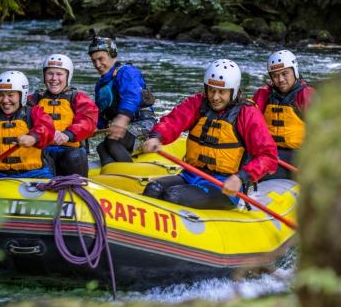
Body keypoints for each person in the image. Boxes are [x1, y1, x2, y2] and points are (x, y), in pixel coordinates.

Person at [139, 59, 278, 209]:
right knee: (153, 189)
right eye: (211, 90)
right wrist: (157, 136)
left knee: (173, 196)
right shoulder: (197, 103)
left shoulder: (247, 113)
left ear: (234, 91)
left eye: (221, 92)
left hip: (223, 185)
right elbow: (174, 121)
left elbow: (268, 156)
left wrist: (241, 177)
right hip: (190, 176)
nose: (215, 97)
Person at [88, 33, 156, 165]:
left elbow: (132, 95)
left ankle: (131, 175)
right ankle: (111, 176)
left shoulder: (127, 72)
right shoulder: (100, 85)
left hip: (144, 125)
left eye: (101, 59)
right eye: (94, 61)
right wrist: (94, 127)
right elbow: (102, 112)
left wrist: (122, 119)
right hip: (124, 129)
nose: (97, 64)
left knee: (112, 142)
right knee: (101, 147)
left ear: (112, 54)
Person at [28, 53, 99, 177]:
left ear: (68, 76)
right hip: (42, 152)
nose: (54, 78)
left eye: (59, 74)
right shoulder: (33, 99)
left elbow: (88, 121)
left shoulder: (78, 98)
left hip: (69, 151)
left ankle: (77, 186)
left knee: (75, 156)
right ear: (44, 76)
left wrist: (68, 135)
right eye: (50, 73)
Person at [251, 49, 315, 179]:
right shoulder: (263, 94)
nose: (280, 79)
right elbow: (249, 125)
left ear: (295, 71)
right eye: (275, 75)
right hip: (269, 156)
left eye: (285, 73)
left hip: (299, 158)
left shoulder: (306, 95)